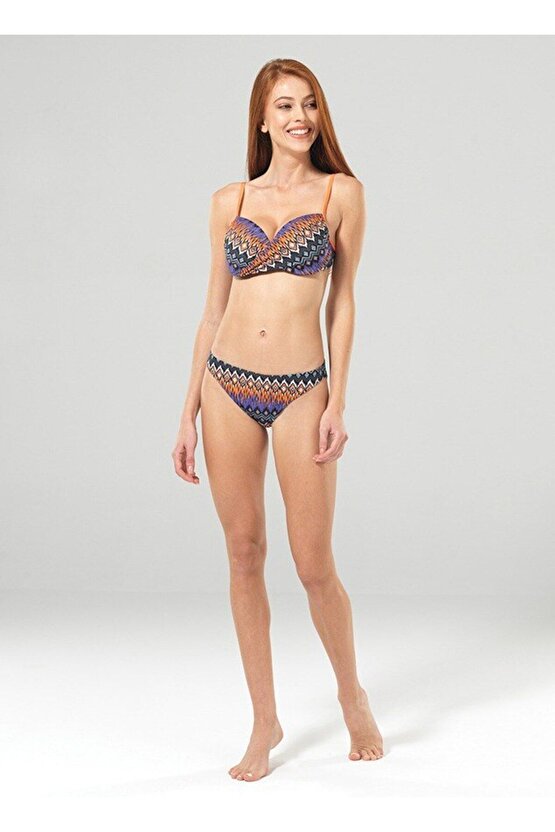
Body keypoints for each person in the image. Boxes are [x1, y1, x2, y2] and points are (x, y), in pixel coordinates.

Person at [172, 58, 383, 781]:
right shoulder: (227, 200)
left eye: (310, 104)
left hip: (301, 389)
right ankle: (264, 719)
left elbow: (342, 302)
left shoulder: (340, 193)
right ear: (261, 120)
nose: (300, 117)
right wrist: (187, 410)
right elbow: (211, 310)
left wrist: (338, 400)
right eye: (286, 106)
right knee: (242, 553)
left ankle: (351, 694)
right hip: (226, 385)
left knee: (313, 564)